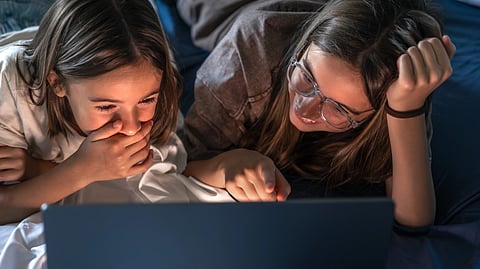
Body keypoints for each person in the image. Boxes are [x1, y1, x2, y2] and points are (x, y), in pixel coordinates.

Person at [180, 0, 456, 227]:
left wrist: (405, 110)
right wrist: (222, 166)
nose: (304, 109)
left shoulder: (393, 76)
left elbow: (413, 219)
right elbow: (181, 162)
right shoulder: (253, 47)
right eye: (306, 77)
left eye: (338, 109)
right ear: (303, 46)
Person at [0, 0, 190, 225]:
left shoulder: (150, 75)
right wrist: (82, 170)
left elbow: (165, 173)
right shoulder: (10, 86)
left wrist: (37, 168)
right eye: (106, 106)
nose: (131, 127)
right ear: (57, 83)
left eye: (146, 100)